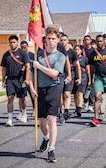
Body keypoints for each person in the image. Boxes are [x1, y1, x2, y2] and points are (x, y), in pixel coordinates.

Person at [32, 26, 66, 163]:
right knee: (41, 120)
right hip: (40, 89)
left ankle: (51, 149)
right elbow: (31, 72)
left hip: (53, 88)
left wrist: (38, 66)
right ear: (45, 39)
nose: (50, 41)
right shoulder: (38, 54)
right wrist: (31, 86)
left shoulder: (60, 56)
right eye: (48, 38)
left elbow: (54, 73)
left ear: (58, 40)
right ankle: (46, 138)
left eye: (53, 38)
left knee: (52, 119)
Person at [0, 35, 30, 126]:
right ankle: (10, 119)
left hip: (20, 79)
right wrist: (3, 79)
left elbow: (27, 65)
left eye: (14, 42)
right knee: (10, 98)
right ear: (9, 43)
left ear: (17, 43)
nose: (12, 44)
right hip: (10, 79)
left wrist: (27, 79)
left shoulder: (22, 53)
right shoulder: (6, 55)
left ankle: (24, 113)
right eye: (11, 42)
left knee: (22, 98)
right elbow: (4, 68)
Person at [60, 34, 81, 121]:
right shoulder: (57, 51)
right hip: (60, 73)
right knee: (60, 96)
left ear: (68, 41)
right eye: (61, 40)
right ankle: (60, 111)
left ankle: (66, 111)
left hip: (70, 73)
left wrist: (79, 77)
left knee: (67, 94)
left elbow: (77, 65)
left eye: (65, 40)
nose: (63, 41)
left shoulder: (72, 52)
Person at [73, 45, 90, 117]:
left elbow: (88, 70)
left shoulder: (85, 59)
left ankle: (79, 109)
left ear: (81, 51)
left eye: (78, 49)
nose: (76, 51)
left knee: (80, 93)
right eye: (75, 49)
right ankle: (77, 107)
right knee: (75, 94)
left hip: (83, 76)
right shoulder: (72, 58)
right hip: (74, 76)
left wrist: (89, 79)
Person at [20, 40, 35, 117]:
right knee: (21, 95)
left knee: (32, 94)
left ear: (27, 47)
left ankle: (35, 109)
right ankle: (21, 111)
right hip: (21, 77)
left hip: (30, 76)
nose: (23, 49)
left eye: (24, 48)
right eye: (22, 48)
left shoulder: (32, 55)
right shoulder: (18, 55)